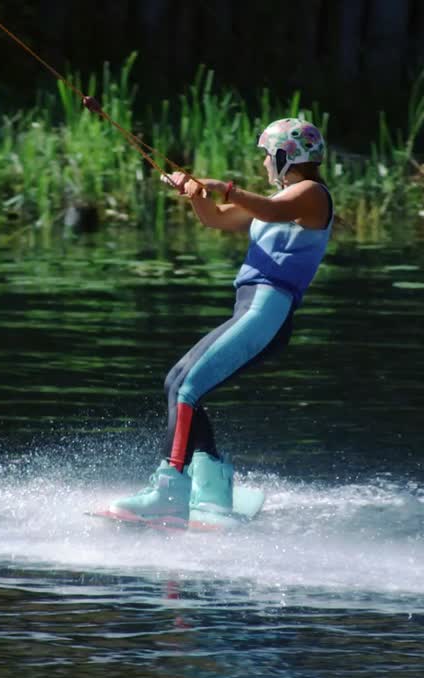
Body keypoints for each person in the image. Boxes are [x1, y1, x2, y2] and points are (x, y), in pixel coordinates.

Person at [106, 118, 334, 527]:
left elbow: (273, 209)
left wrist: (225, 187)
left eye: (268, 155)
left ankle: (168, 491)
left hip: (267, 310)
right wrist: (196, 194)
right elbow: (215, 219)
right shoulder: (276, 200)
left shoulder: (311, 195)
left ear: (286, 157)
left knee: (188, 387)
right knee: (177, 382)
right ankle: (211, 487)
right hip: (249, 310)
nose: (265, 163)